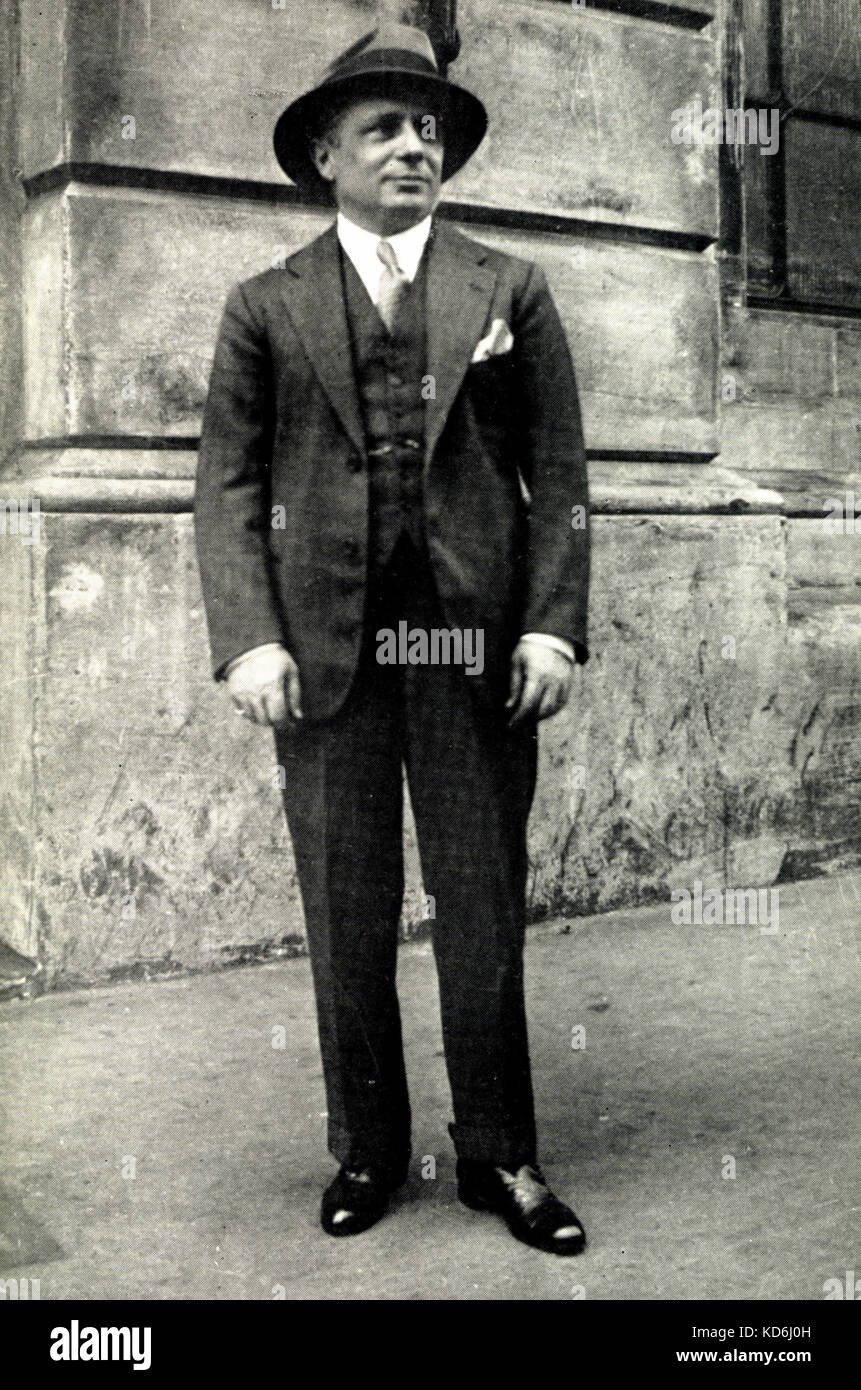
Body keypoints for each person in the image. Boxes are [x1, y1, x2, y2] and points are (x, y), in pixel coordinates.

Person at [194, 23, 591, 1256]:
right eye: (383, 128)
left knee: (480, 902)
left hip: (470, 651)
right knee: (345, 906)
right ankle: (368, 1147)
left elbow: (561, 474)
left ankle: (501, 1155)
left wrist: (551, 628)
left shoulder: (507, 287)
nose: (413, 146)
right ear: (326, 153)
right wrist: (251, 640)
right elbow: (226, 487)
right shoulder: (267, 304)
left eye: (428, 129)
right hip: (326, 657)